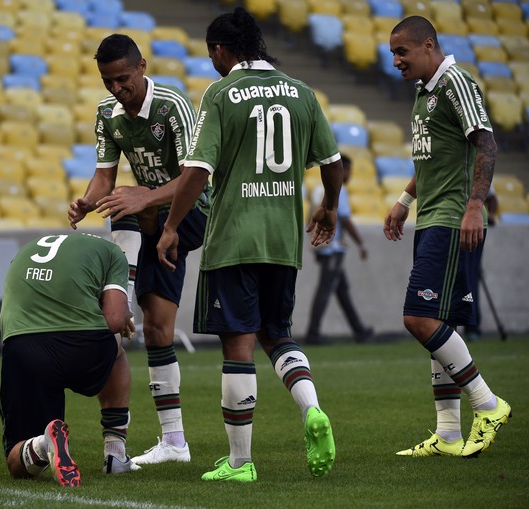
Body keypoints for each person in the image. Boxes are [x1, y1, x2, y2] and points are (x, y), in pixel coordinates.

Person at [156, 7, 343, 482]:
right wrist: (330, 207)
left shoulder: (220, 94)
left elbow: (197, 170)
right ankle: (312, 409)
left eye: (211, 55)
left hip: (235, 237)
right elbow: (332, 160)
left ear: (221, 50)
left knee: (237, 347)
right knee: (276, 333)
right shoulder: (301, 91)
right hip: (283, 240)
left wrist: (173, 224)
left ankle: (240, 463)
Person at [67, 34, 211, 465]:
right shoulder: (107, 114)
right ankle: (175, 443)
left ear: (142, 67)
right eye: (108, 81)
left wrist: (143, 196)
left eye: (123, 79)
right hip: (148, 223)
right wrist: (88, 200)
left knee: (127, 203)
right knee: (159, 330)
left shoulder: (172, 106)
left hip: (191, 213)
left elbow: (193, 177)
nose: (116, 89)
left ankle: (119, 296)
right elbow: (104, 178)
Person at [384, 16, 511, 458]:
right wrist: (403, 200)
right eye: (393, 52)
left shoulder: (456, 82)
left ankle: (489, 405)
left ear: (429, 45)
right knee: (442, 321)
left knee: (418, 317)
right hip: (431, 216)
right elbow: (430, 160)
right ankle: (449, 434)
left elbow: (486, 144)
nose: (395, 60)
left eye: (402, 51)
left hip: (453, 219)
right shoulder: (424, 92)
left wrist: (475, 206)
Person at [0, 233, 139, 487]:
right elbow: (115, 319)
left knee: (15, 461)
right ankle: (115, 454)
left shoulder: (28, 247)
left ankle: (42, 444)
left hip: (22, 347)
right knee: (117, 347)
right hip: (79, 346)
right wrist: (125, 314)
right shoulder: (112, 252)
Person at [305, 153, 374, 345]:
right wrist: (361, 243)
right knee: (325, 290)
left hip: (324, 247)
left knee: (342, 290)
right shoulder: (338, 189)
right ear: (342, 169)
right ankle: (313, 333)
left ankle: (359, 330)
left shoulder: (319, 188)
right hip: (333, 247)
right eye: (349, 169)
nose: (350, 174)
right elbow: (344, 218)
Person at [464, 184, 498, 342]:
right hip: (449, 223)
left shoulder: (479, 166)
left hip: (473, 227)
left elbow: (491, 197)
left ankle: (472, 324)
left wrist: (490, 214)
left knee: (470, 277)